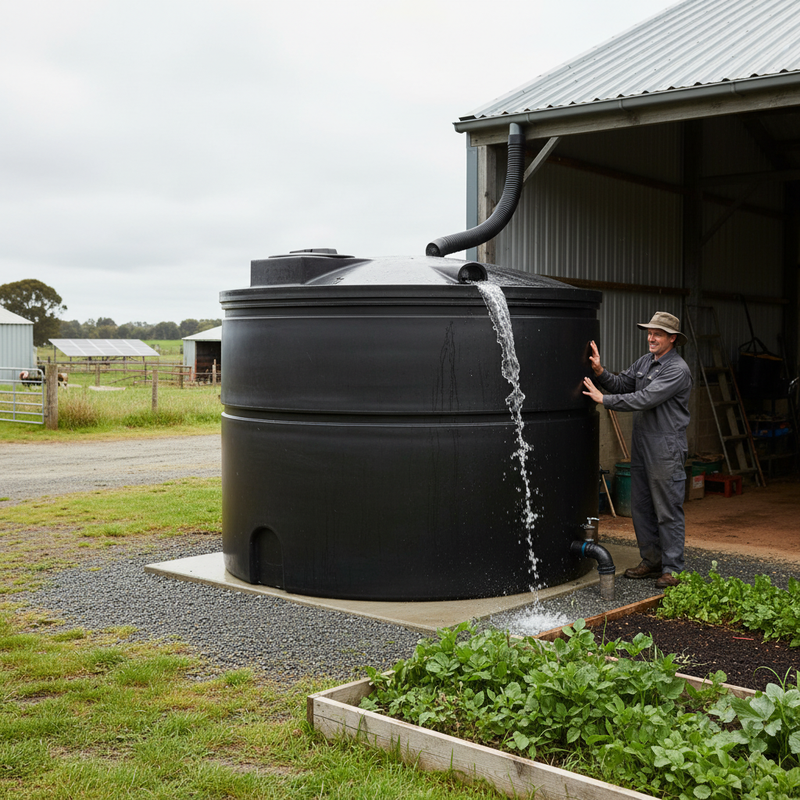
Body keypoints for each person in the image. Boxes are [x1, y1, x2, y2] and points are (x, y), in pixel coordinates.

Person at [582, 312, 692, 589]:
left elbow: (645, 398)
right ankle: (652, 560)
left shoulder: (677, 369)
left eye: (658, 333)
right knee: (642, 507)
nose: (651, 337)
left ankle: (672, 568)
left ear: (672, 339)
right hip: (643, 444)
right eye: (650, 332)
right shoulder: (645, 361)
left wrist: (602, 398)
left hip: (666, 447)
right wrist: (600, 372)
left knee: (667, 509)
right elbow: (623, 383)